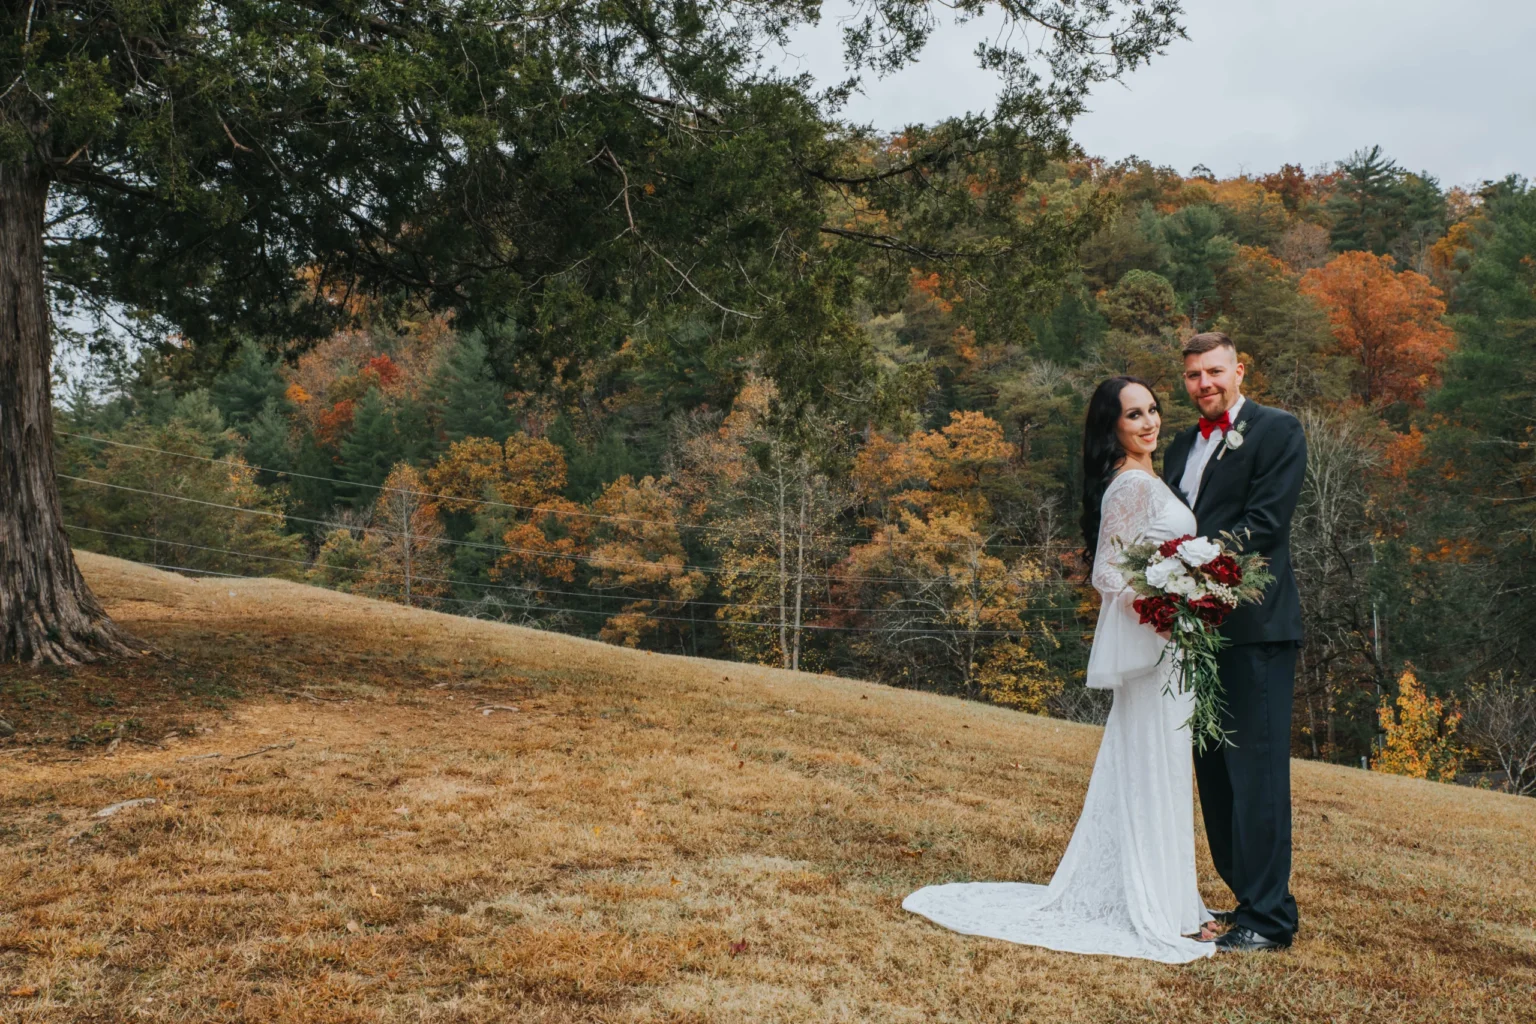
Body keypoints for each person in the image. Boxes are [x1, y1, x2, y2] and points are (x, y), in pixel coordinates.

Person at [903, 375, 1218, 964]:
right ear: (1112, 427)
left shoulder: (1154, 479)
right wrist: (1163, 610)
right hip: (1158, 645)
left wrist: (1191, 595)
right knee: (1154, 759)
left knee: (1167, 764)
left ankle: (1174, 900)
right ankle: (1154, 904)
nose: (1148, 422)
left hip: (1174, 647)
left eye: (1152, 410)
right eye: (1133, 415)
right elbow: (1107, 572)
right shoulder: (1129, 485)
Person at [1161, 331, 1306, 953]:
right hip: (1192, 634)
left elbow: (1267, 525)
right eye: (1194, 376)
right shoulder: (1179, 446)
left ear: (1239, 370)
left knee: (1257, 774)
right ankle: (1245, 897)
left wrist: (1200, 558)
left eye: (1215, 372)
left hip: (1255, 631)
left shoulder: (1277, 430)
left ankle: (1271, 919)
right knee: (1214, 773)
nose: (1205, 384)